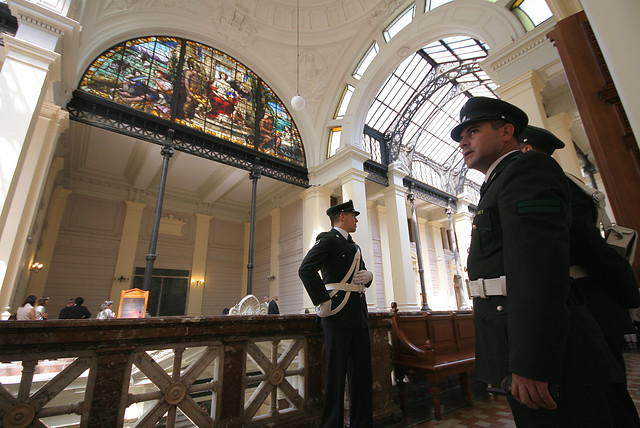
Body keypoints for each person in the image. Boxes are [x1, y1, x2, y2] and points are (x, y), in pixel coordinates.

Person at [452, 96, 626, 427]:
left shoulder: (528, 169)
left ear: (506, 132)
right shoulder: (500, 181)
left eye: (472, 131)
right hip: (513, 336)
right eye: (462, 135)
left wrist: (532, 361)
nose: (463, 141)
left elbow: (539, 268)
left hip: (546, 353)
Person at [518, 125, 640, 425]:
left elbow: (588, 247)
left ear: (526, 150)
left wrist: (628, 291)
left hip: (587, 301)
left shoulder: (554, 184)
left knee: (601, 402)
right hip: (589, 301)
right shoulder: (567, 182)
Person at [298, 199, 374, 428]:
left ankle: (362, 423)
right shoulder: (328, 239)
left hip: (358, 315)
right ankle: (332, 424)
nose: (356, 219)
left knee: (361, 374)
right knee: (336, 375)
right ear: (343, 216)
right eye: (354, 215)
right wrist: (322, 301)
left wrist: (368, 276)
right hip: (337, 315)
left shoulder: (355, 246)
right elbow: (306, 269)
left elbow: (358, 276)